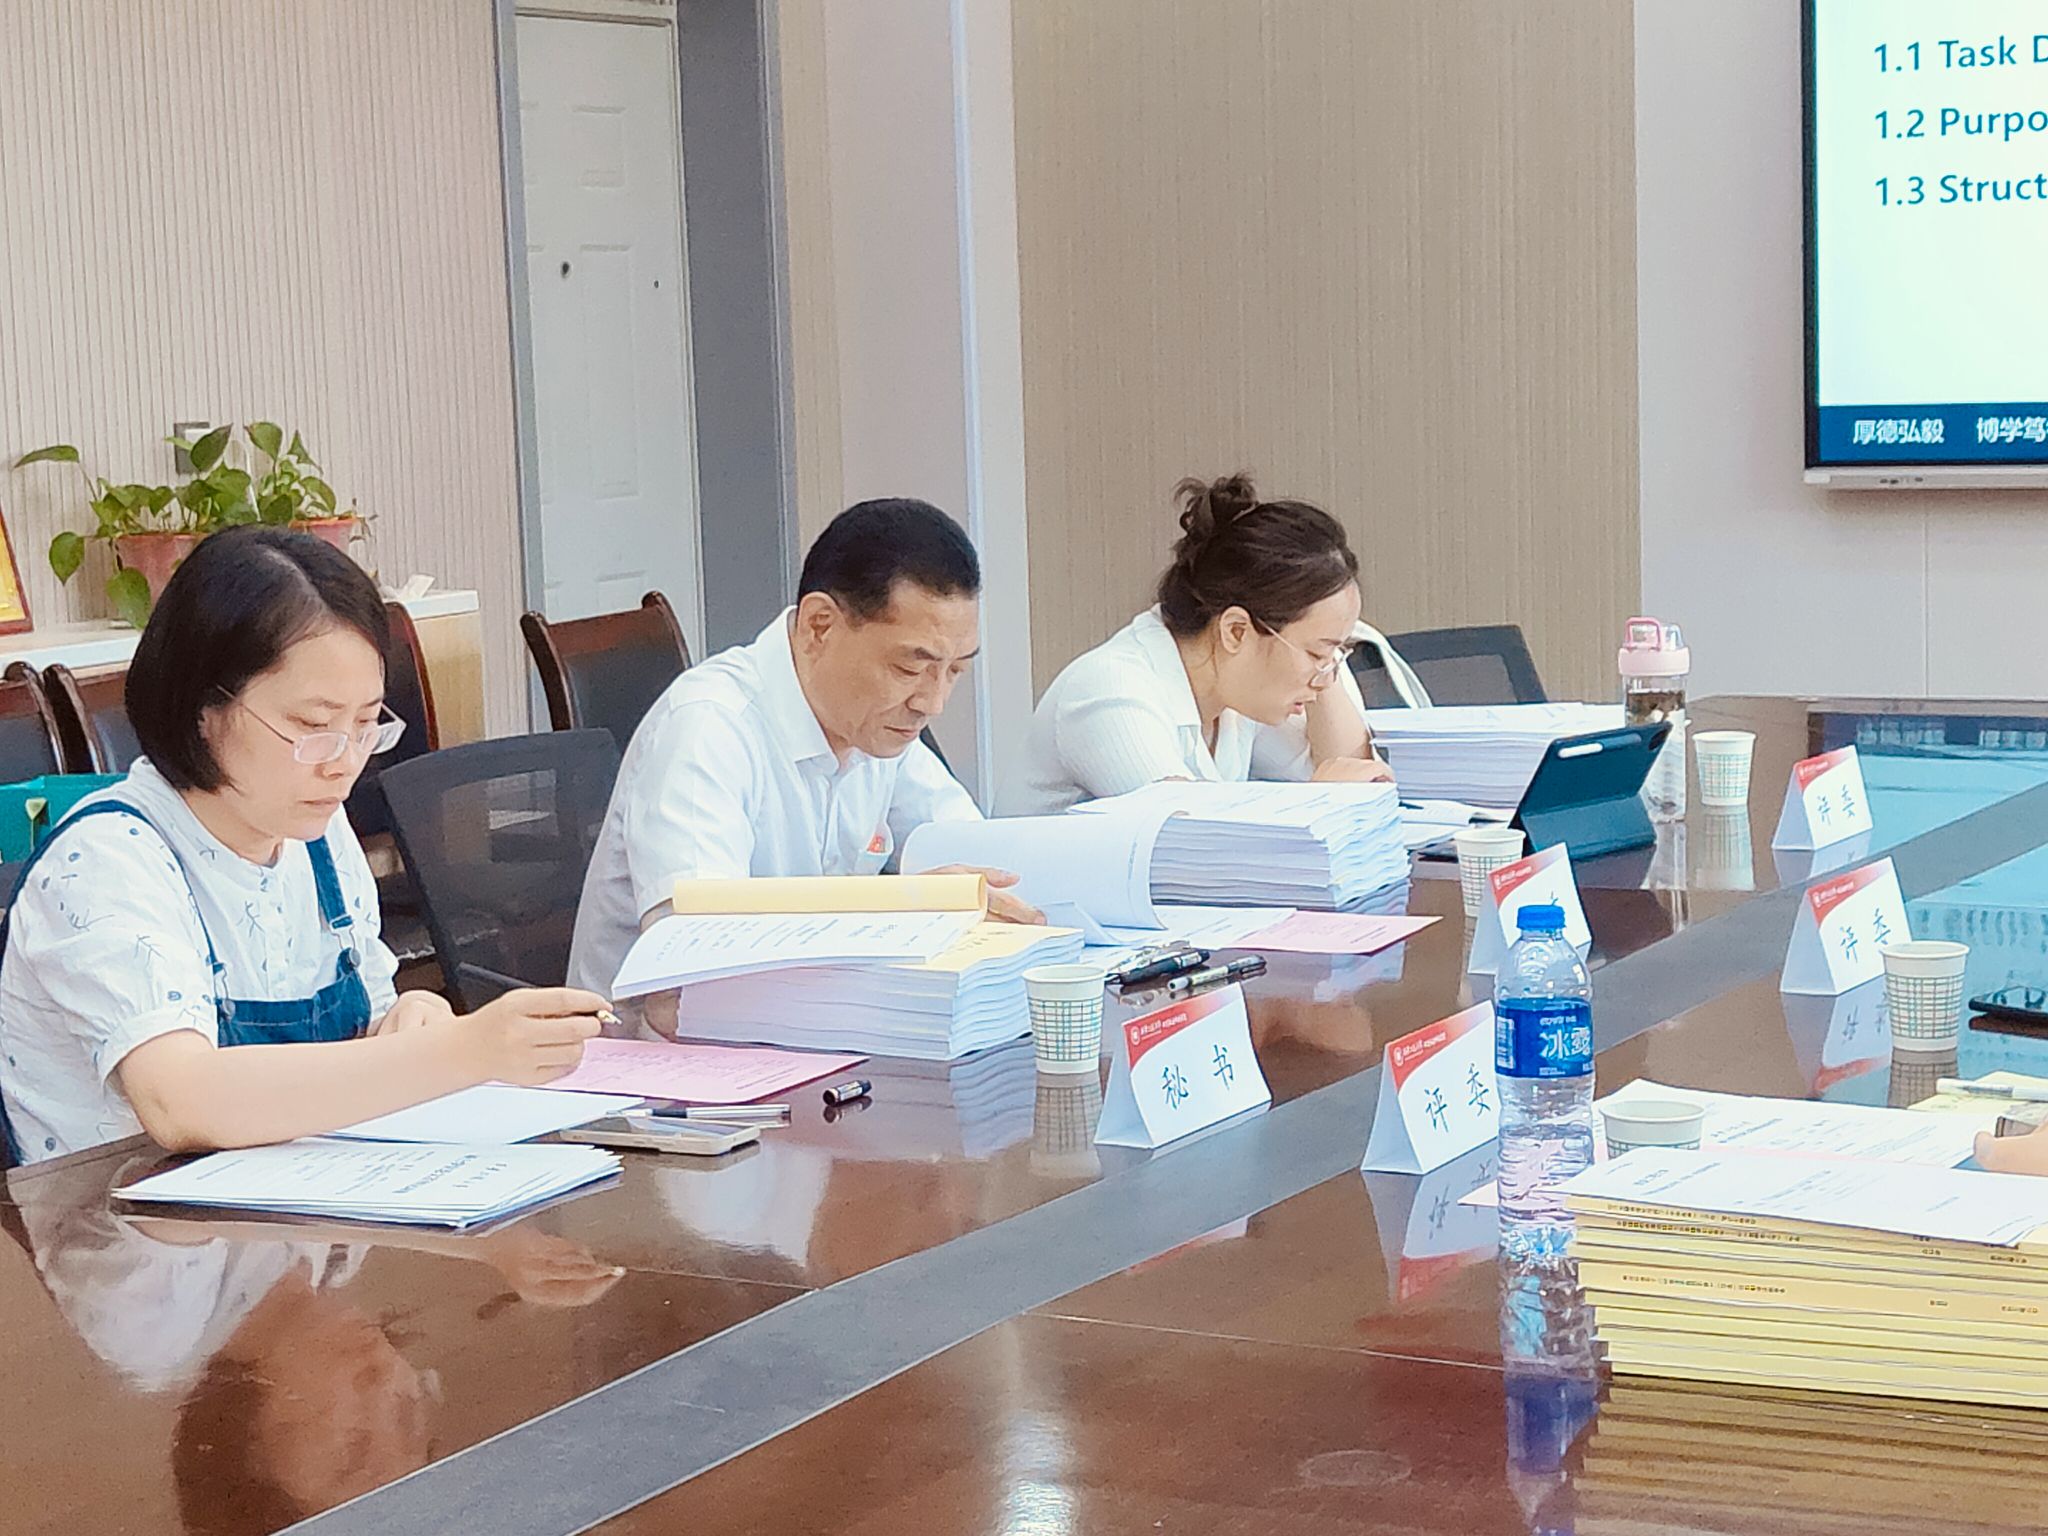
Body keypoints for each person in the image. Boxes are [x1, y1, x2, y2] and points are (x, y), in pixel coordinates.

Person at [0, 527, 609, 1165]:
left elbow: (366, 1034)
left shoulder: (314, 835)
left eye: (366, 724)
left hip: (287, 1202)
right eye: (313, 726)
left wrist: (407, 1021)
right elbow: (182, 1100)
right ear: (203, 708)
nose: (343, 763)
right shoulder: (106, 861)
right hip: (118, 1216)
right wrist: (456, 1051)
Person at [567, 498, 1039, 1009]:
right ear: (820, 626)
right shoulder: (707, 727)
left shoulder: (876, 727)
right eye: (909, 669)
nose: (933, 702)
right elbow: (688, 976)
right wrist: (901, 908)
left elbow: (980, 865)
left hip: (816, 1029)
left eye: (955, 671)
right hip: (651, 1049)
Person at [1000, 473, 1394, 815]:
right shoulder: (1110, 691)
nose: (1325, 677)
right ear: (1236, 631)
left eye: (1335, 654)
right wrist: (1322, 802)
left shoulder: (1238, 688)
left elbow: (1352, 773)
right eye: (1315, 653)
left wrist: (1325, 653)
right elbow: (1187, 838)